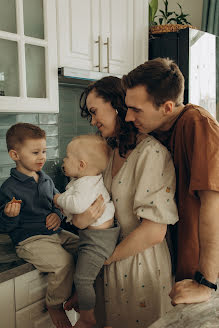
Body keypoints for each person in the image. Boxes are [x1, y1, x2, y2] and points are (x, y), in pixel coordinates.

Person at [76, 76, 179, 328]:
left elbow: (154, 230)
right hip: (109, 262)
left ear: (116, 105)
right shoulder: (111, 154)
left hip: (140, 268)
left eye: (94, 112)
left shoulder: (152, 154)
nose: (93, 121)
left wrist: (104, 260)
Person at [121, 57, 219, 305]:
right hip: (182, 266)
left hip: (204, 274)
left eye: (136, 110)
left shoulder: (197, 123)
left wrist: (207, 282)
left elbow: (213, 205)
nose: (128, 118)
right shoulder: (160, 131)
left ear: (166, 107)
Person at [0, 122, 80, 328]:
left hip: (55, 233)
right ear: (15, 155)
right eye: (35, 152)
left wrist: (57, 214)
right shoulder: (9, 188)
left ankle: (77, 293)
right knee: (63, 263)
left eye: (44, 151)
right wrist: (9, 215)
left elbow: (58, 204)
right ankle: (54, 305)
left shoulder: (46, 179)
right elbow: (4, 227)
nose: (42, 157)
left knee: (86, 248)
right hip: (31, 239)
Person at [53, 134, 120, 328]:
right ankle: (79, 299)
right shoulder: (87, 180)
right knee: (80, 269)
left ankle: (87, 316)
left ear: (81, 165)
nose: (63, 161)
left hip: (97, 240)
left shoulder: (85, 184)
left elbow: (76, 203)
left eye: (66, 157)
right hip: (95, 236)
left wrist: (58, 200)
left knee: (83, 278)